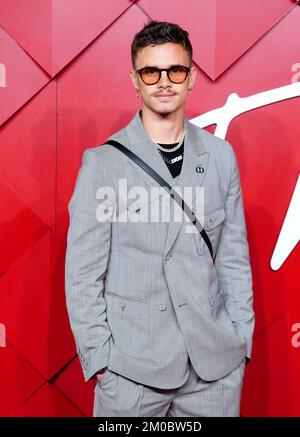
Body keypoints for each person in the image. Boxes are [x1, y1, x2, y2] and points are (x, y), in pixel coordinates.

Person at [65, 20, 254, 417]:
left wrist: (240, 344)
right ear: (135, 79)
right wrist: (102, 362)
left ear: (192, 78)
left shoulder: (221, 157)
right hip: (132, 371)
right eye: (151, 71)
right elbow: (82, 275)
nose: (164, 82)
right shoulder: (102, 164)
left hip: (213, 373)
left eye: (176, 70)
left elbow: (234, 261)